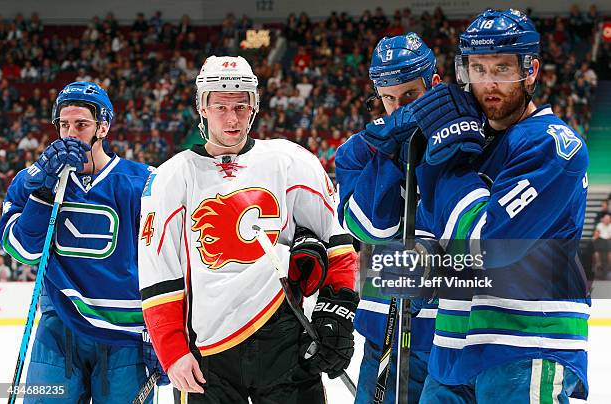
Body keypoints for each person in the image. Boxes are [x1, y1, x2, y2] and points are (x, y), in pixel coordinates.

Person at [366, 9, 589, 402]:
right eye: (477, 69)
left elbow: (486, 247)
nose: (488, 83)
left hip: (525, 346)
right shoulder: (473, 143)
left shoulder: (552, 145)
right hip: (451, 353)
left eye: (502, 69)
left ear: (531, 69)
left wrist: (443, 163)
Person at [138, 56, 359, 403]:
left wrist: (337, 315)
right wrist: (172, 351)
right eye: (221, 106)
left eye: (241, 106)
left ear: (254, 106)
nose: (232, 118)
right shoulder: (171, 176)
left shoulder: (290, 161)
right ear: (202, 106)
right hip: (208, 353)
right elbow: (158, 273)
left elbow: (337, 243)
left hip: (286, 340)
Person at [0, 81, 163, 402]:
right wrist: (44, 192)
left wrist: (166, 331)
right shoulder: (32, 180)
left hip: (125, 336)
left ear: (103, 127)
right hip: (57, 330)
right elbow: (25, 251)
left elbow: (167, 260)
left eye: (82, 125)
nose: (71, 133)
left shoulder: (143, 182)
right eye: (64, 124)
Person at [334, 33, 441, 403]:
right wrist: (389, 153)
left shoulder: (468, 144)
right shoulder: (357, 151)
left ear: (435, 85)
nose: (398, 110)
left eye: (410, 96)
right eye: (389, 98)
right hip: (384, 335)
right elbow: (370, 227)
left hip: (451, 335)